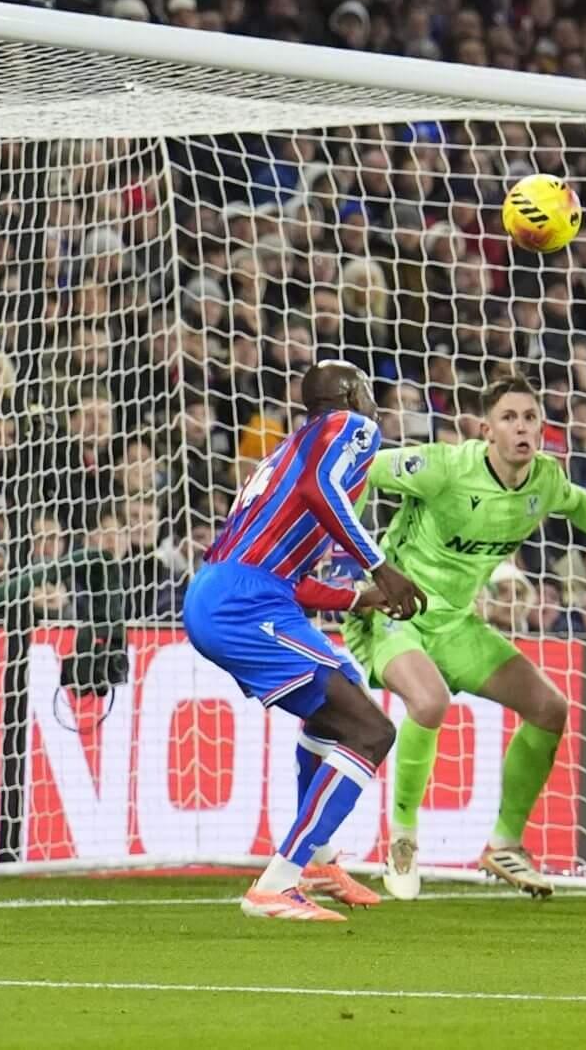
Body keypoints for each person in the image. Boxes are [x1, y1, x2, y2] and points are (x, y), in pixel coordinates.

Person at [346, 369, 586, 900]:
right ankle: (403, 838)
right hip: (396, 612)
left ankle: (505, 844)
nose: (522, 427)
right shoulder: (444, 467)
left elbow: (578, 503)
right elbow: (360, 470)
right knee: (430, 701)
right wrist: (347, 554)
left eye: (530, 417)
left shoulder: (544, 479)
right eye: (508, 417)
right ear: (487, 431)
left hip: (456, 623)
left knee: (550, 708)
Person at [180, 360, 425, 921]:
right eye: (368, 389)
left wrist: (358, 598)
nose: (374, 402)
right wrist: (380, 566)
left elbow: (285, 575)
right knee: (371, 731)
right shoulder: (350, 427)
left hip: (240, 592)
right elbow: (322, 490)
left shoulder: (286, 452)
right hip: (243, 603)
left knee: (343, 694)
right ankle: (276, 884)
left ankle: (317, 858)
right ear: (350, 395)